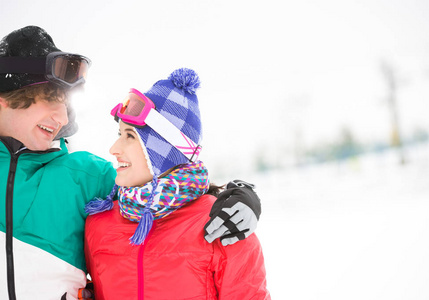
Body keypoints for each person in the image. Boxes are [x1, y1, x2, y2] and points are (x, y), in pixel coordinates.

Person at [0, 26, 262, 300]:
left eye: (66, 105)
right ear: (6, 98)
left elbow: (168, 185)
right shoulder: (101, 221)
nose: (64, 118)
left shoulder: (85, 175)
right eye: (50, 101)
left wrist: (241, 197)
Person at [84, 68, 270, 299]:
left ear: (164, 151)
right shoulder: (98, 224)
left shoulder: (222, 226)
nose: (114, 149)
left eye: (130, 136)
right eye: (119, 133)